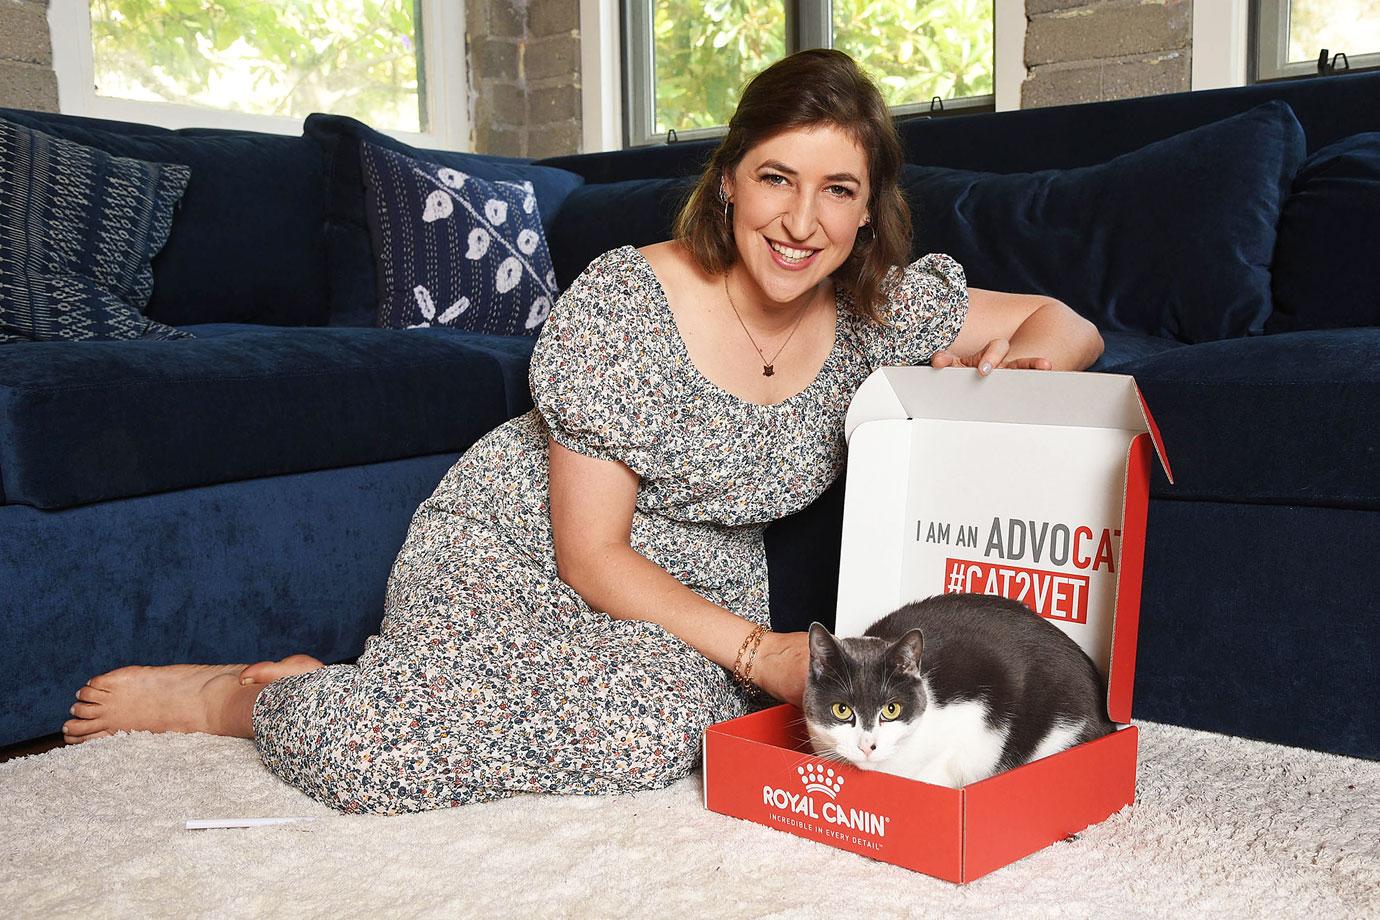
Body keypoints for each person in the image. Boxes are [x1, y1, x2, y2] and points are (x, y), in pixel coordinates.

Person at [60, 49, 1102, 814]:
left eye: (839, 191)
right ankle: (238, 699)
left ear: (870, 213)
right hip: (529, 548)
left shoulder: (877, 308)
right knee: (379, 755)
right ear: (729, 177)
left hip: (689, 594)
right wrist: (760, 650)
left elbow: (1067, 322)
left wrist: (1022, 364)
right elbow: (589, 551)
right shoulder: (623, 303)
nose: (801, 221)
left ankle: (345, 689)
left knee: (647, 736)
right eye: (777, 177)